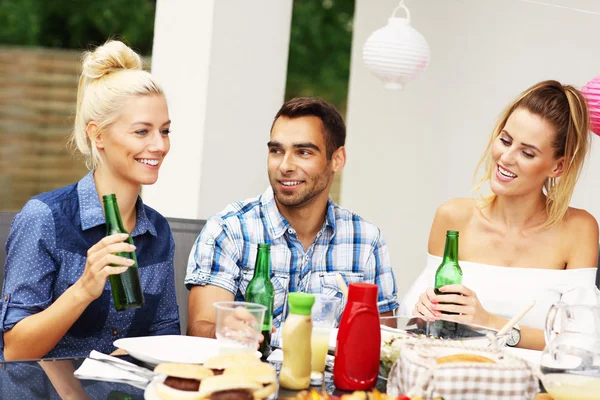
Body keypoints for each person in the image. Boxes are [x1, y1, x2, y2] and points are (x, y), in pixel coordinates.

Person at [0, 40, 180, 361]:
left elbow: (166, 337)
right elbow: (14, 350)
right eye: (142, 131)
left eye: (164, 131)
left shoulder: (158, 233)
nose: (159, 145)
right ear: (98, 135)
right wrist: (83, 290)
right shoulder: (45, 218)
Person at [401, 80, 599, 350]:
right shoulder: (453, 216)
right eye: (505, 140)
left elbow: (582, 340)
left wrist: (491, 324)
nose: (506, 157)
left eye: (527, 153)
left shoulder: (578, 229)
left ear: (558, 166)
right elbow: (413, 318)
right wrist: (422, 311)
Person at [185, 97, 398, 345]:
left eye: (303, 152)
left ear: (337, 159)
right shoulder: (229, 229)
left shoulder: (367, 240)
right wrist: (227, 331)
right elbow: (200, 328)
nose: (285, 165)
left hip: (327, 382)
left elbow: (384, 342)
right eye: (277, 151)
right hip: (248, 376)